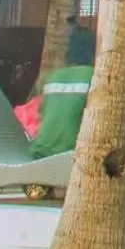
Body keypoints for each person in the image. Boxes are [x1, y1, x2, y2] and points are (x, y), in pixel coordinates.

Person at [30, 25, 94, 159]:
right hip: (71, 153)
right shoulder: (95, 77)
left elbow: (42, 113)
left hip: (40, 151)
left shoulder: (52, 76)